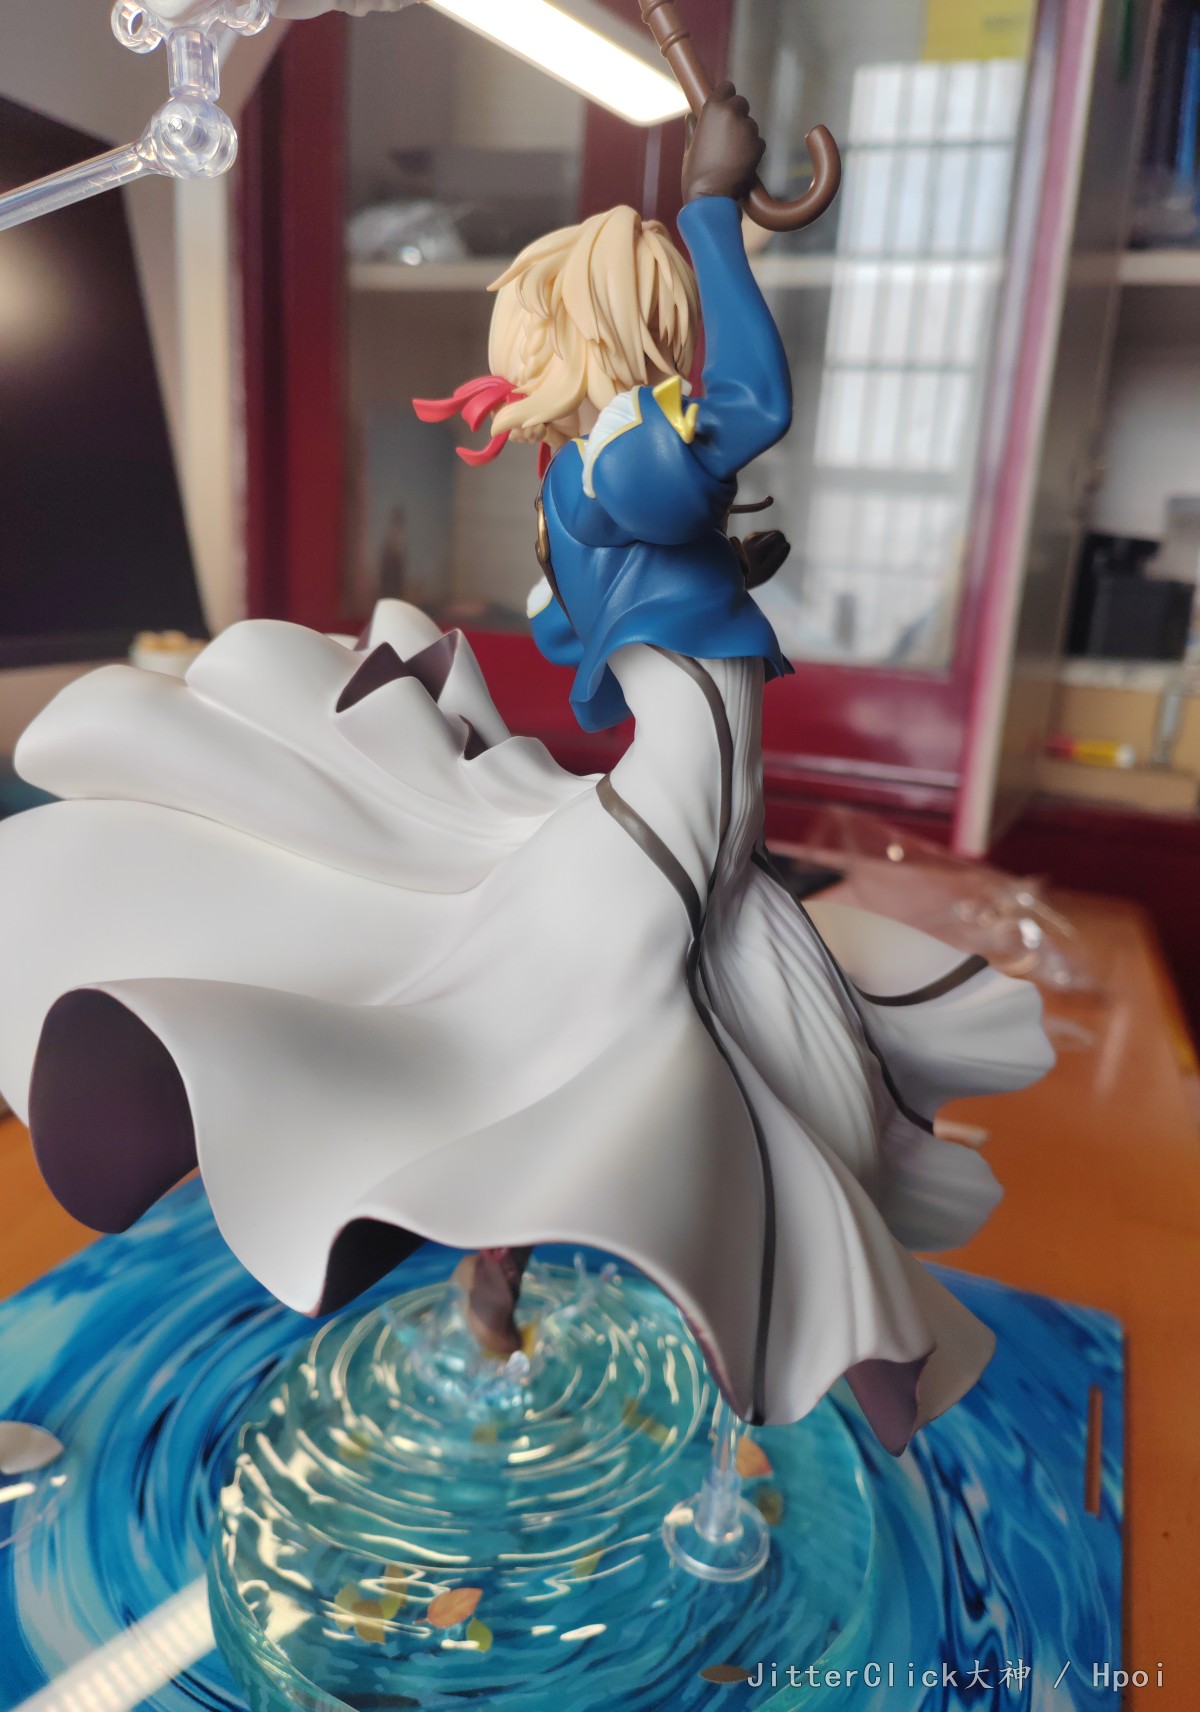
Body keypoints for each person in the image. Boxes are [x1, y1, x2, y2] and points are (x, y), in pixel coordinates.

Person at [0, 88, 1052, 1445]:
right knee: (606, 1066)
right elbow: (753, 401)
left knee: (609, 1063)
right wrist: (715, 213)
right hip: (675, 818)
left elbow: (569, 633)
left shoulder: (589, 476)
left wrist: (700, 569)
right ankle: (531, 1296)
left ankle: (501, 1287)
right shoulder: (622, 461)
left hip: (674, 810)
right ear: (625, 331)